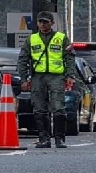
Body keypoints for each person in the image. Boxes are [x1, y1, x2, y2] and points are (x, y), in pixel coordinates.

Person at [17, 11, 76, 148]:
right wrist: (24, 79)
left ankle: (59, 139)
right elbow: (23, 60)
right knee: (39, 108)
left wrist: (70, 76)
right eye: (40, 22)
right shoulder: (31, 39)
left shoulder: (61, 38)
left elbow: (70, 58)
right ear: (37, 23)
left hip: (57, 77)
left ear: (52, 23)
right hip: (38, 77)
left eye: (46, 22)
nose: (43, 25)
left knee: (58, 107)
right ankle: (44, 138)